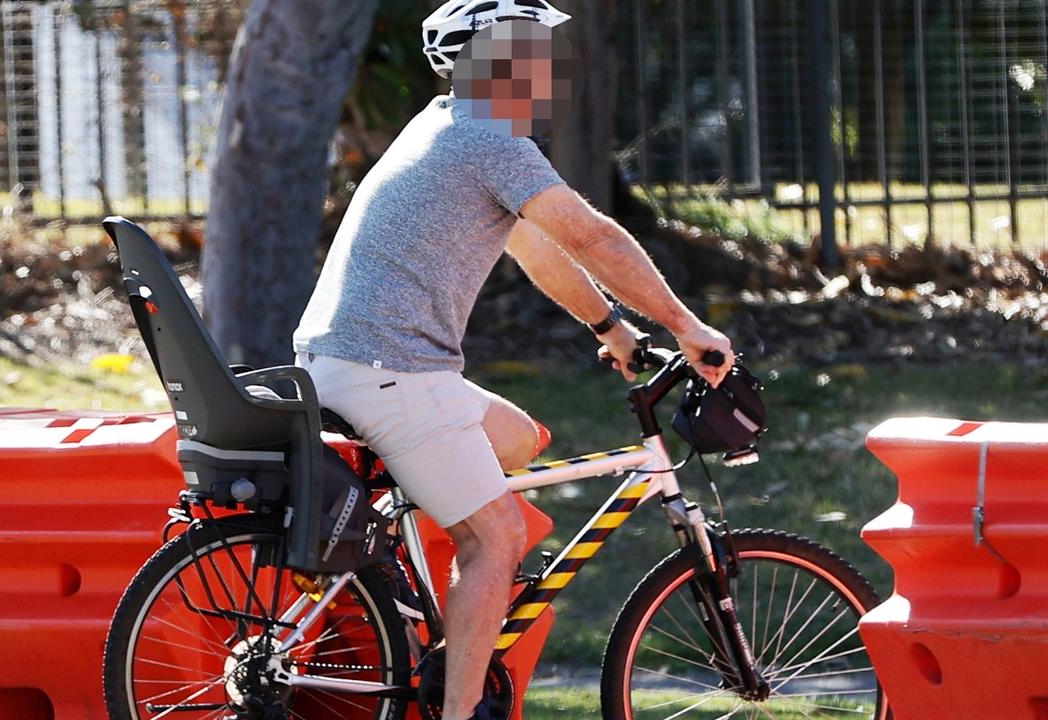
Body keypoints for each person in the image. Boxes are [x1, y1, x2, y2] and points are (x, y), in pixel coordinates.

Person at [292, 2, 735, 717]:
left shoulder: (449, 127)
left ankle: (407, 593)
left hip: (358, 364)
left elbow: (534, 247)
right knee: (495, 536)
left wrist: (612, 327)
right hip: (392, 370)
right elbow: (593, 238)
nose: (551, 66)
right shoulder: (487, 135)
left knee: (518, 441)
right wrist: (686, 327)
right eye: (534, 49)